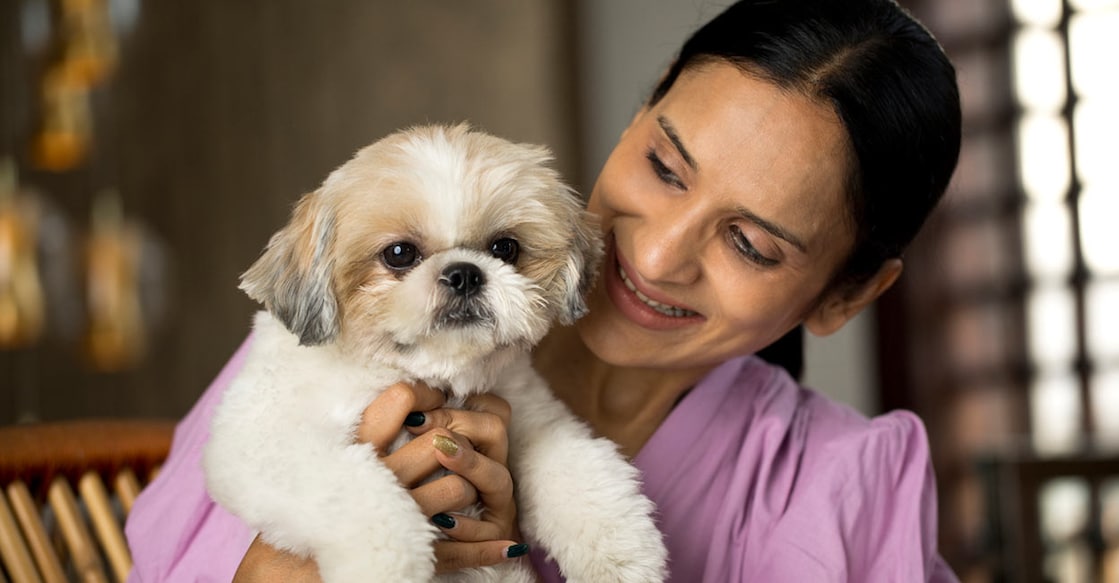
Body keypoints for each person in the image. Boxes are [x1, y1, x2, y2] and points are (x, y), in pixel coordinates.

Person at [125, 0, 963, 580]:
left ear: (844, 298)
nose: (659, 251)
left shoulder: (846, 488)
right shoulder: (331, 339)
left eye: (748, 242)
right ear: (643, 106)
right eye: (664, 167)